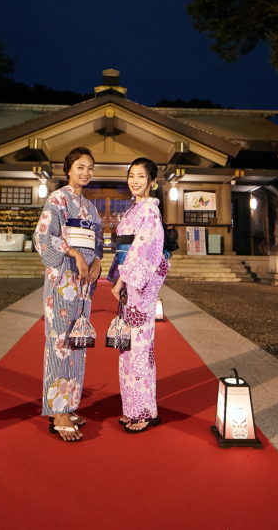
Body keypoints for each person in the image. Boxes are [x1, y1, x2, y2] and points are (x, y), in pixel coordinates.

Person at [33, 147, 103, 442]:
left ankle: (70, 403)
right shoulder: (57, 199)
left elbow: (98, 242)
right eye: (80, 167)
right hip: (63, 276)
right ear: (69, 169)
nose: (85, 173)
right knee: (60, 341)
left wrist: (98, 261)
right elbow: (43, 235)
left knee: (77, 341)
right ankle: (57, 410)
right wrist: (73, 252)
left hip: (84, 280)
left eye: (90, 168)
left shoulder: (91, 207)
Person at [108, 157, 169, 432]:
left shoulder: (150, 212)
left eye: (141, 176)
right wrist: (118, 275)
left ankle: (146, 411)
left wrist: (123, 279)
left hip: (139, 286)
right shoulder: (134, 210)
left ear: (152, 182)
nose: (135, 180)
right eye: (131, 175)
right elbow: (124, 246)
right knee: (129, 348)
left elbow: (145, 249)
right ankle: (132, 408)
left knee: (140, 348)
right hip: (129, 285)